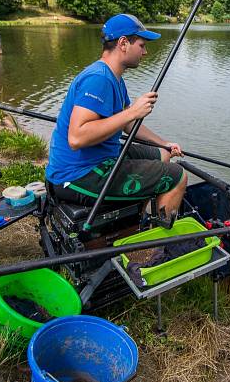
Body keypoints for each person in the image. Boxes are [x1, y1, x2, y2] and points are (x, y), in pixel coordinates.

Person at [45, 13, 186, 224]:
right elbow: (77, 138)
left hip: (101, 157)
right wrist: (132, 111)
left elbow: (128, 123)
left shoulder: (114, 78)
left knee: (163, 155)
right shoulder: (98, 79)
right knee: (178, 177)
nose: (145, 52)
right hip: (77, 176)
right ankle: (156, 246)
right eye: (141, 45)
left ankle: (142, 218)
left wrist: (164, 143)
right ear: (123, 43)